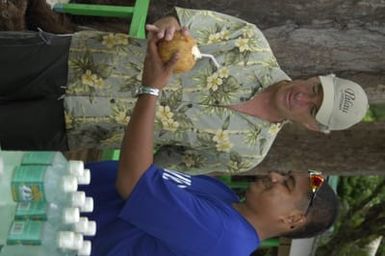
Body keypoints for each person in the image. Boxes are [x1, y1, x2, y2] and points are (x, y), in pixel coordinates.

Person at [0, 7, 369, 174]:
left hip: (72, 125)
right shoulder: (250, 43)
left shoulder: (247, 154)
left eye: (313, 108)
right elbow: (178, 22)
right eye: (316, 88)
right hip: (76, 58)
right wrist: (168, 31)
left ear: (312, 126)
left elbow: (152, 166)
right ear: (317, 76)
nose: (304, 97)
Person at [78, 32, 339, 256]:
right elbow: (148, 174)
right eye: (285, 175)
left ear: (293, 219)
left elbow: (134, 183)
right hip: (64, 188)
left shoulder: (223, 237)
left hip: (53, 222)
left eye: (287, 184)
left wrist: (151, 89)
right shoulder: (224, 197)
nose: (273, 176)